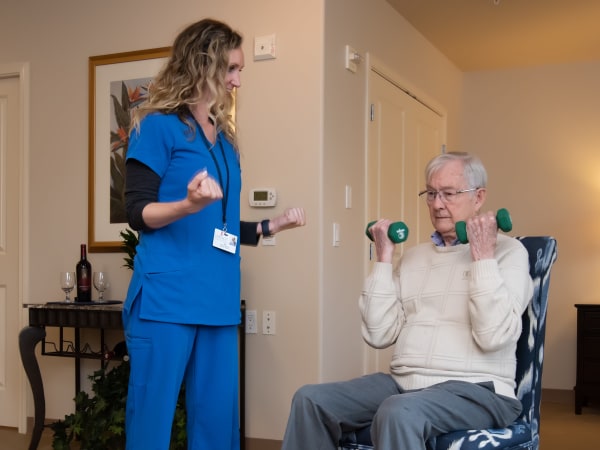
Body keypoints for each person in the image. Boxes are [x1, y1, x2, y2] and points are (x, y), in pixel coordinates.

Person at [122, 19, 306, 450]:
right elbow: (137, 211)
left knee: (217, 424)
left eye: (240, 71)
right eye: (232, 69)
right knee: (151, 420)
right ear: (203, 64)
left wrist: (270, 226)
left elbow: (217, 226)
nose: (238, 81)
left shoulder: (224, 140)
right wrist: (187, 203)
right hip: (166, 300)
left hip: (219, 301)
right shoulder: (156, 126)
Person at [281, 152, 532, 450]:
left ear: (478, 197)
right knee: (310, 400)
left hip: (478, 389)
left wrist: (482, 258)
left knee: (399, 410)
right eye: (431, 193)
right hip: (404, 383)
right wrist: (384, 260)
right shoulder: (414, 257)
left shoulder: (509, 252)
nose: (437, 204)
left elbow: (493, 336)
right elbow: (379, 334)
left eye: (449, 194)